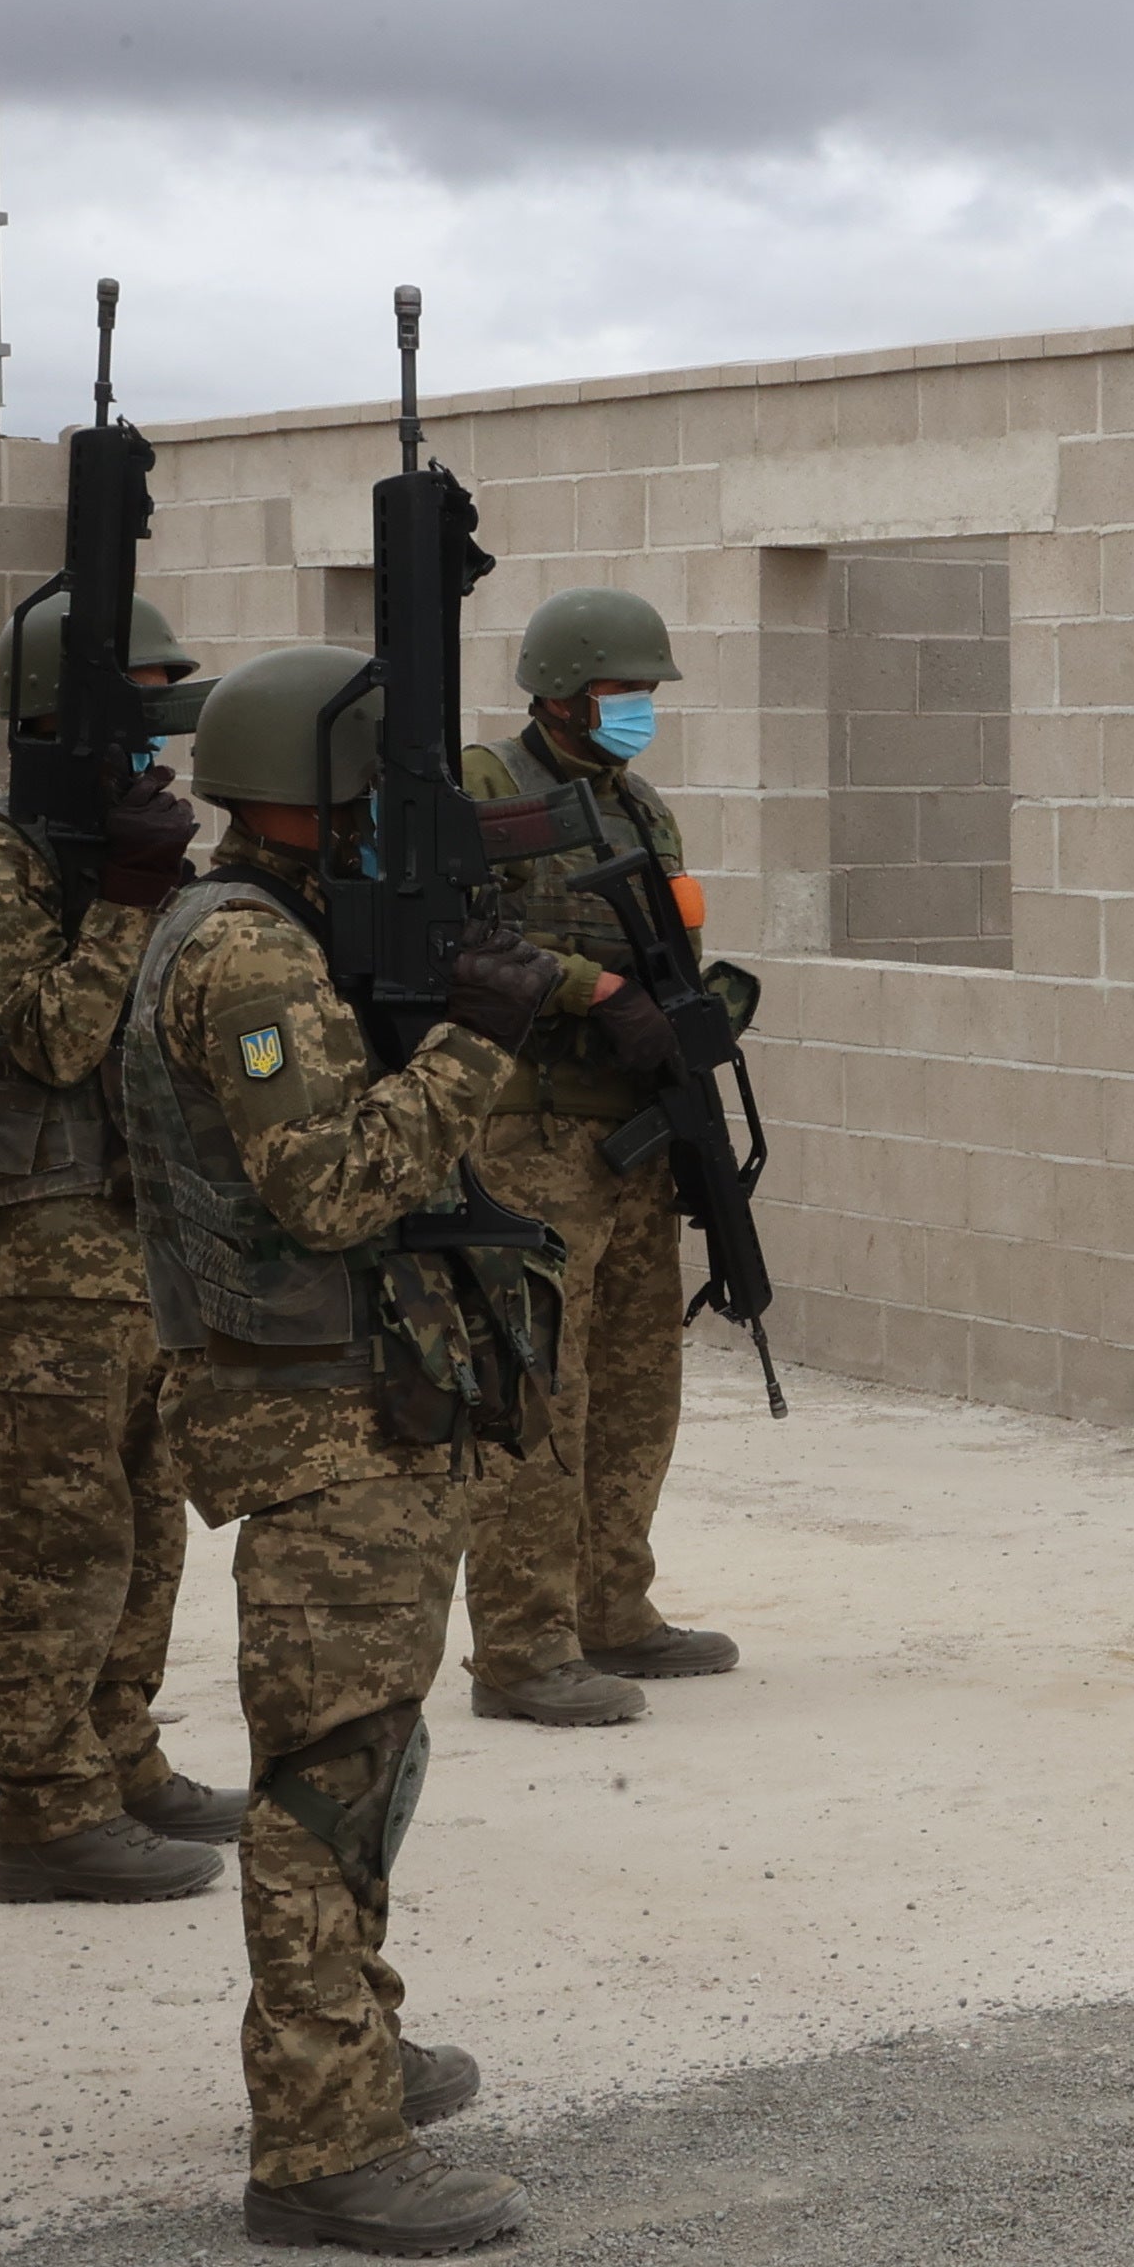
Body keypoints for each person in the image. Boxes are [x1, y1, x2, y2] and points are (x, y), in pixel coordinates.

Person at [122, 642, 569, 2256]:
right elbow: (329, 1186)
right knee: (323, 1777)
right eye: (376, 779)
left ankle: (351, 2049)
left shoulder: (275, 927)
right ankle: (321, 2146)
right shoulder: (245, 960)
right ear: (316, 790)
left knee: (367, 1751)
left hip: (340, 1405)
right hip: (311, 1421)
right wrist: (471, 1040)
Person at [0, 592, 244, 1902]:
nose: (158, 756)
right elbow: (52, 1041)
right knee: (66, 1533)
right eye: (138, 720)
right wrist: (123, 896)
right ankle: (46, 1808)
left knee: (149, 1520)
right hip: (49, 1248)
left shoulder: (130, 849)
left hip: (147, 1237)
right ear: (57, 721)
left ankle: (121, 1754)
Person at [449, 584, 734, 1727]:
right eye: (624, 693)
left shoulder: (642, 806)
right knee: (539, 1395)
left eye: (647, 694)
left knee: (634, 1386)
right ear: (561, 695)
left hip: (635, 1137)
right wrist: (592, 989)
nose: (640, 710)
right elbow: (457, 938)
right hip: (534, 1139)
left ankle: (613, 1606)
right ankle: (521, 1648)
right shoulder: (487, 789)